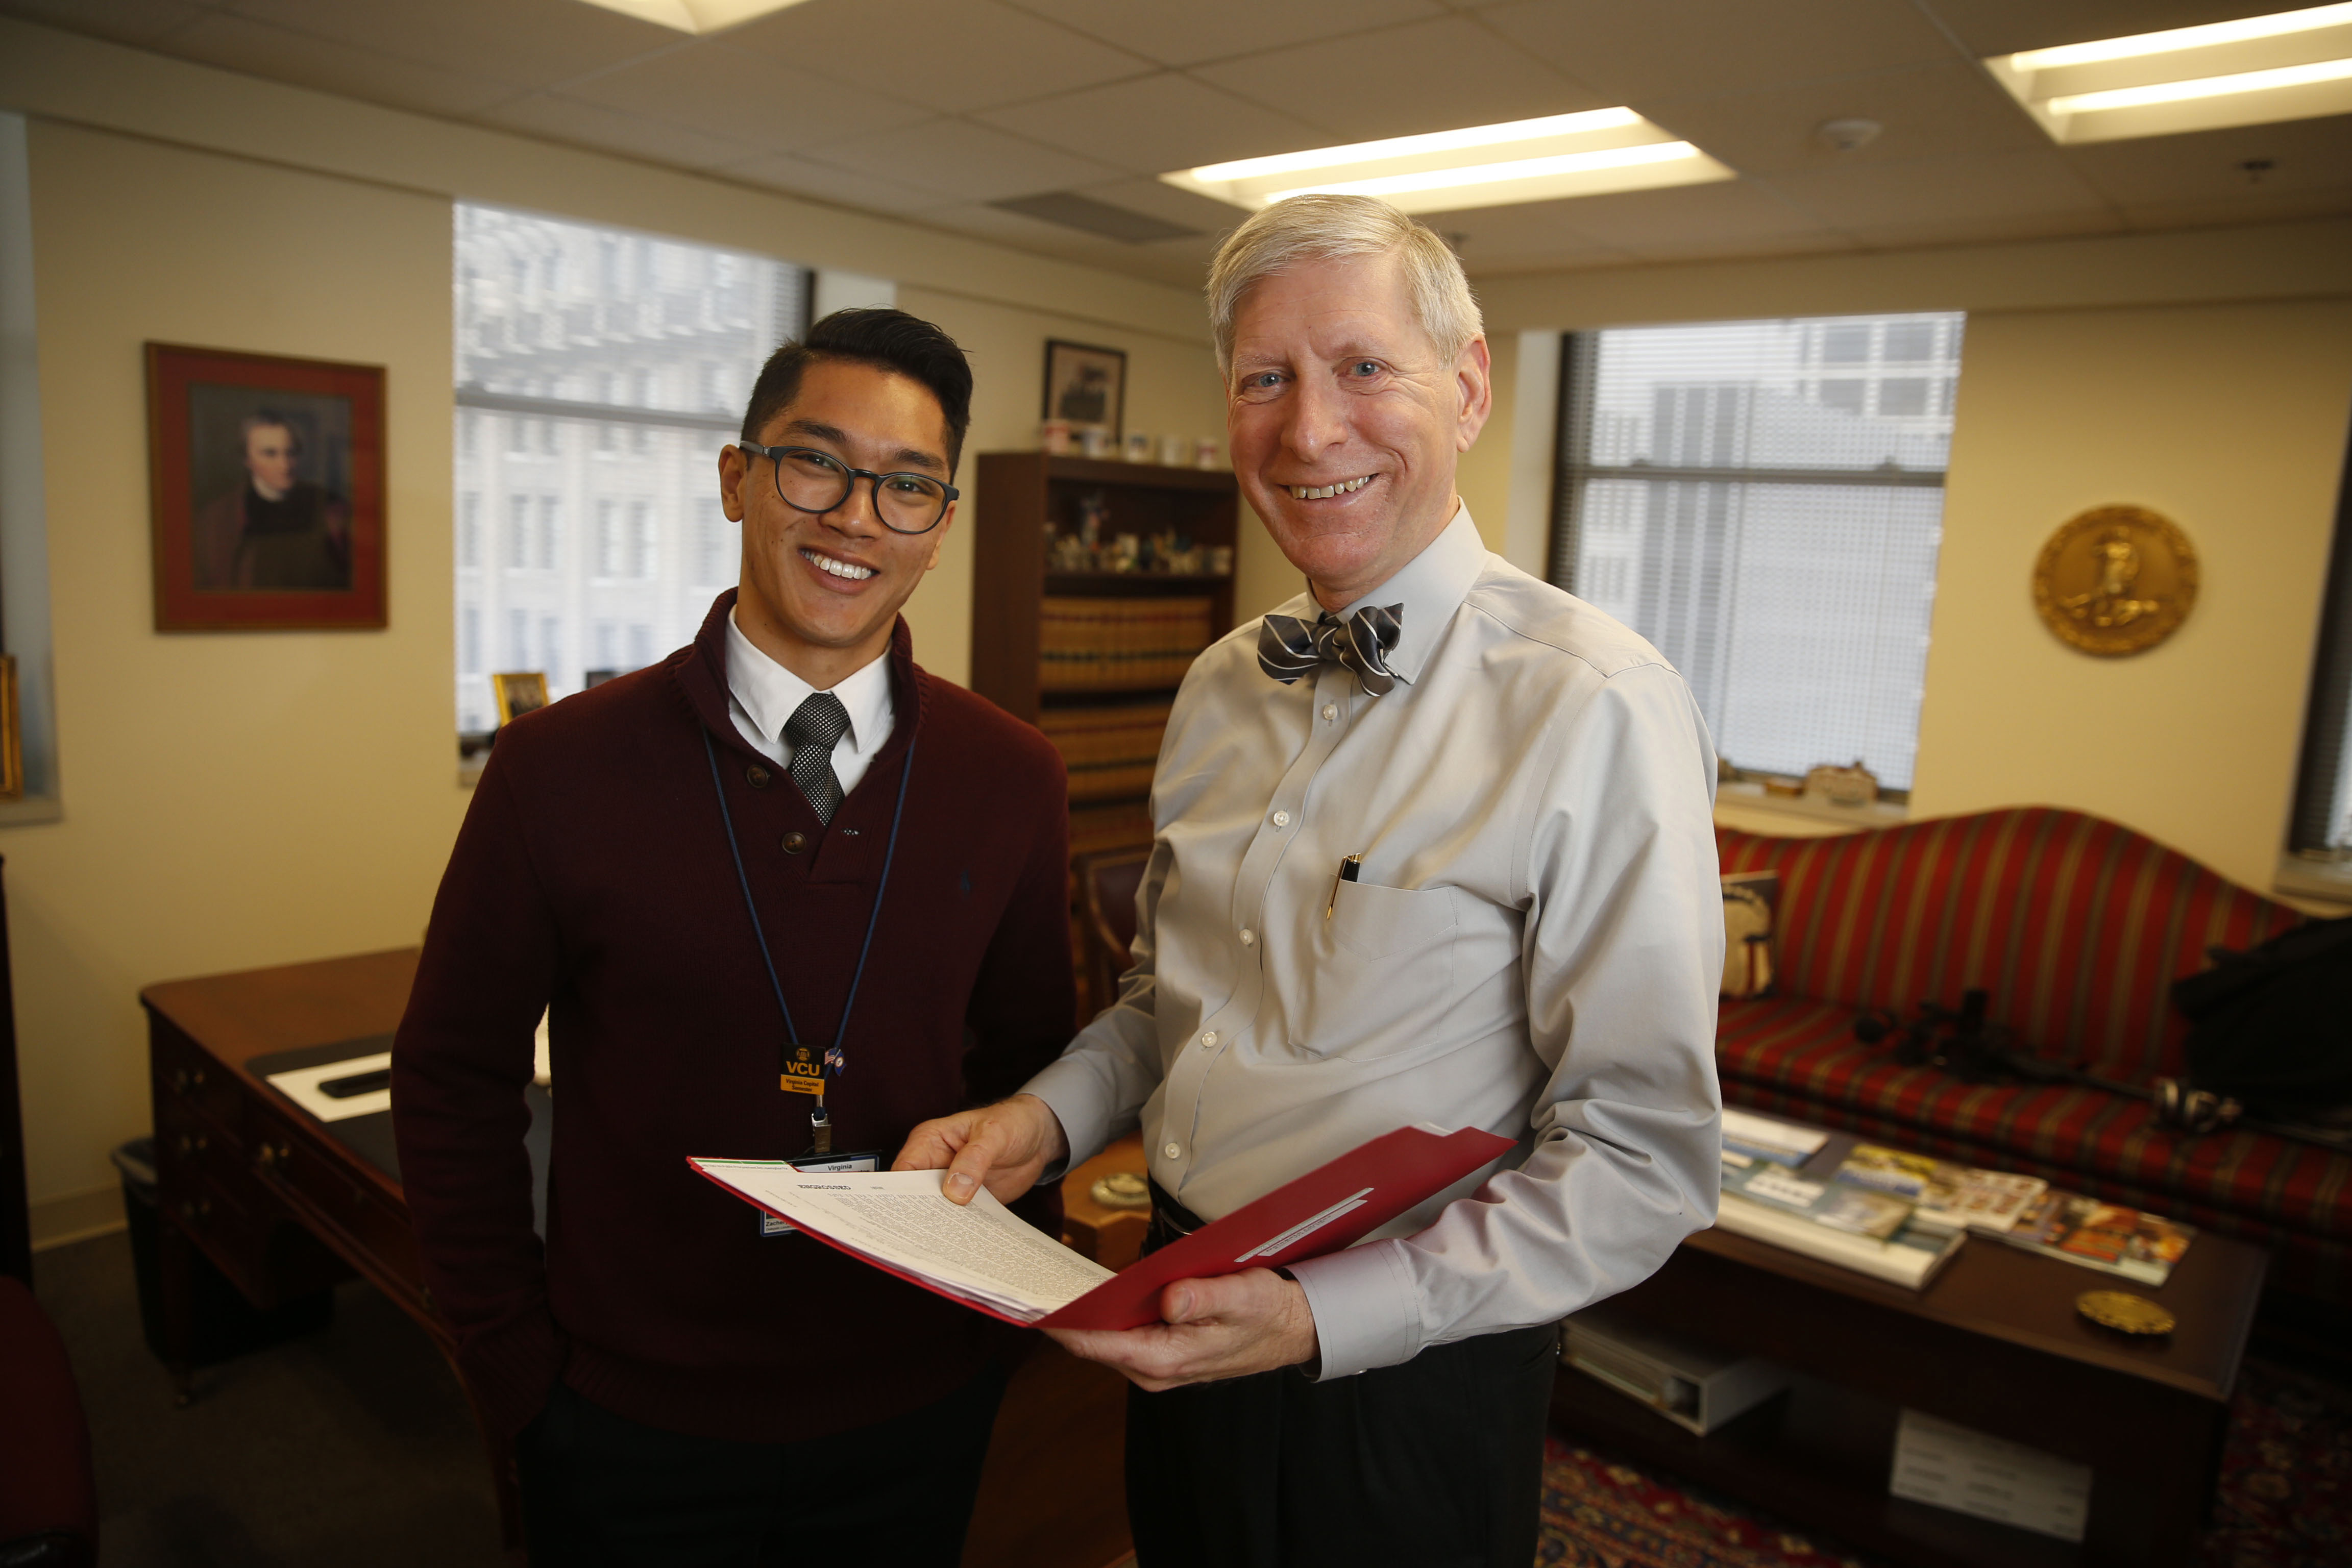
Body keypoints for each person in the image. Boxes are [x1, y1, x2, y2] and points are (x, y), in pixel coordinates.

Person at [898, 195, 1724, 1566]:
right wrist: (1041, 1120)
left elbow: (1644, 1162)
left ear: (1466, 387)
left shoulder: (1599, 705)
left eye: (1362, 367)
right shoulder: (1223, 686)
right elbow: (1178, 1006)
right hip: (1176, 1307)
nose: (1310, 429)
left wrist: (1319, 1319)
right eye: (1264, 380)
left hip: (1409, 1373)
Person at [393, 309, 1075, 1565]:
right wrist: (511, 1361)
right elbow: (450, 1072)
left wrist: (998, 1331)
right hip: (628, 1418)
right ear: (736, 477)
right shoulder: (558, 768)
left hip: (919, 1396)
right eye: (816, 462)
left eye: (908, 484)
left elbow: (1036, 1065)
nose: (858, 514)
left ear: (942, 522)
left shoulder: (1011, 775)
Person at [192, 412, 351, 589]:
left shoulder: (329, 505)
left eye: (290, 453)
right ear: (247, 460)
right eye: (270, 454)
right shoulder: (218, 517)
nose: (284, 465)